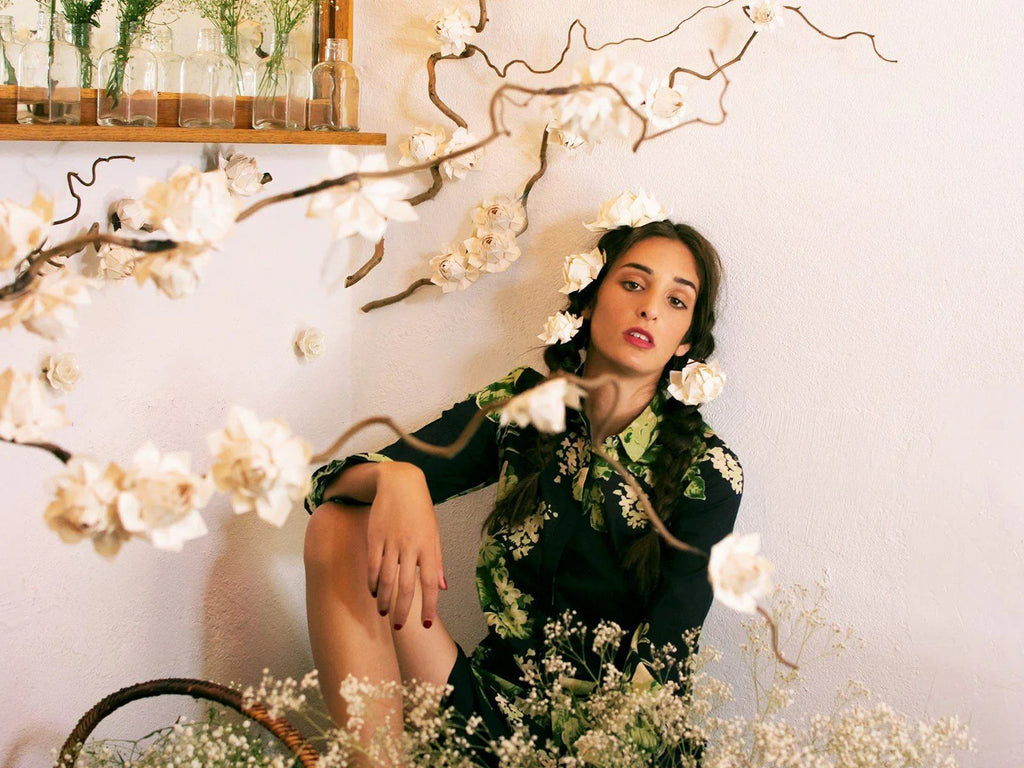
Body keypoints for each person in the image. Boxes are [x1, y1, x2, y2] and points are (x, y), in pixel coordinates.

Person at [302, 217, 744, 764]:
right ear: (589, 301)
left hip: (612, 746)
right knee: (339, 524)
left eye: (676, 301)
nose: (650, 309)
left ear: (685, 341)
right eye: (633, 284)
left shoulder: (709, 471)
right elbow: (327, 487)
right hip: (489, 712)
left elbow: (665, 663)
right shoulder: (523, 407)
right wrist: (399, 476)